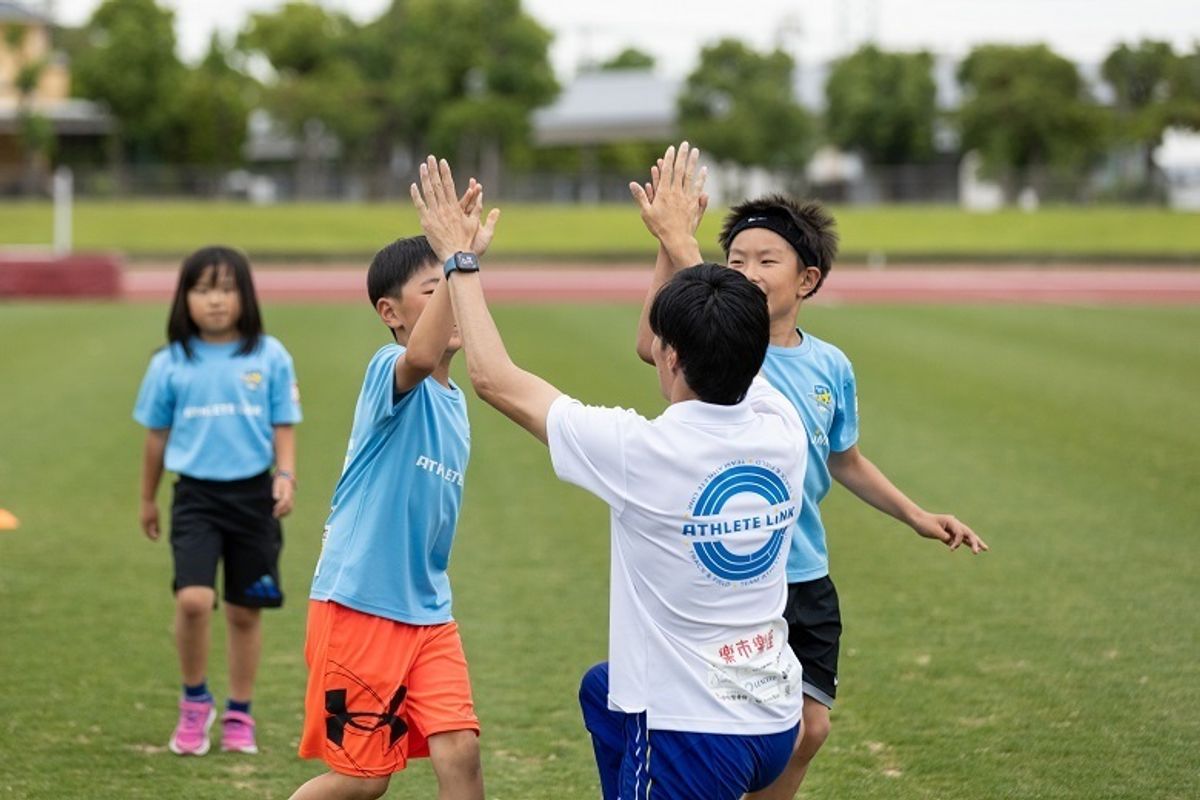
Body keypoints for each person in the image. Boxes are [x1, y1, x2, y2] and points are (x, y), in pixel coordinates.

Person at [415, 157, 808, 800]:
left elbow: (494, 379)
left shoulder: (644, 453)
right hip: (773, 716)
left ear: (671, 354)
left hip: (696, 732)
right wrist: (673, 239)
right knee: (606, 689)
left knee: (628, 708)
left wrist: (457, 258)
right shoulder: (778, 418)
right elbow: (711, 331)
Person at [630, 142, 989, 800]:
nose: (748, 271)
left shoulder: (831, 366)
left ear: (809, 279)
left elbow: (843, 458)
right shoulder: (723, 346)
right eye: (735, 260)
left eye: (767, 260)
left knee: (810, 729)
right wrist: (670, 243)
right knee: (737, 726)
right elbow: (651, 343)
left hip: (806, 572)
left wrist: (916, 515)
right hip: (737, 574)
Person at [289, 158, 498, 800]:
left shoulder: (455, 401)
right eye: (435, 290)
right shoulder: (391, 371)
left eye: (457, 283)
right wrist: (455, 254)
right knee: (365, 780)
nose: (454, 296)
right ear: (390, 311)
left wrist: (455, 263)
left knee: (460, 750)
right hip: (360, 605)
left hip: (427, 610)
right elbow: (421, 355)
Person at [133, 245, 302, 757]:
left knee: (245, 611)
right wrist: (148, 499)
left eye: (226, 289)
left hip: (253, 497)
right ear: (184, 298)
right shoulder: (169, 363)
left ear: (245, 297)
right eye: (203, 289)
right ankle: (194, 700)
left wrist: (286, 475)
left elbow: (283, 424)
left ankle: (239, 713)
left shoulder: (269, 355)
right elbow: (156, 439)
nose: (215, 301)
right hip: (196, 499)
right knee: (193, 599)